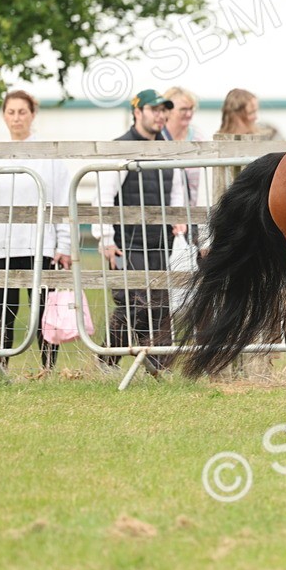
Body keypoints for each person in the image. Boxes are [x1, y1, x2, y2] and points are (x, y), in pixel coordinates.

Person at [0, 90, 72, 371]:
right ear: (4, 116)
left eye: (22, 112)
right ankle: (0, 367)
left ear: (32, 114)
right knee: (4, 310)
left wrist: (64, 244)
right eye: (11, 112)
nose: (16, 118)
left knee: (43, 310)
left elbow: (62, 200)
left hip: (40, 245)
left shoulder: (49, 157)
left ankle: (47, 369)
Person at [93, 89, 187, 370]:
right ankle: (107, 362)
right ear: (137, 112)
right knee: (133, 304)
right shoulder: (120, 148)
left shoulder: (169, 149)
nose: (160, 115)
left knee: (160, 307)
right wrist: (105, 238)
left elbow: (176, 191)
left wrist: (179, 219)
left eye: (164, 110)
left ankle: (159, 367)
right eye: (154, 109)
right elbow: (103, 196)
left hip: (161, 242)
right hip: (127, 242)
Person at [161, 85, 205, 206]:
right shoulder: (158, 138)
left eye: (191, 109)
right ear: (168, 111)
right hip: (165, 210)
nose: (189, 114)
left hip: (194, 209)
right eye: (183, 109)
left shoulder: (199, 138)